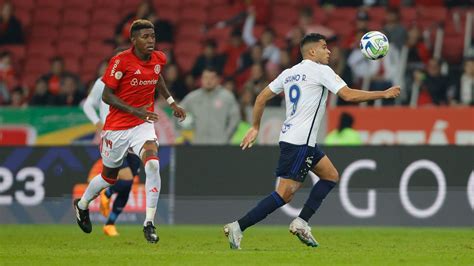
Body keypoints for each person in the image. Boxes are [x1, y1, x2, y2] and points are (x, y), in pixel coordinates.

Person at [223, 33, 400, 249]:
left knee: (331, 176)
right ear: (312, 51)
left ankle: (301, 221)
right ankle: (238, 227)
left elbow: (260, 98)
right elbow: (348, 95)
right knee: (285, 195)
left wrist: (256, 126)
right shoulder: (320, 71)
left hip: (296, 140)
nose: (329, 51)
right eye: (324, 47)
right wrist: (383, 94)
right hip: (300, 143)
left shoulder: (289, 73)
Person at [73, 19, 186, 244]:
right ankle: (82, 204)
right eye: (145, 37)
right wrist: (136, 111)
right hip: (116, 128)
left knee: (153, 164)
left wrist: (172, 102)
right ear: (133, 40)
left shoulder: (159, 58)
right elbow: (106, 96)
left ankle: (149, 223)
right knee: (109, 178)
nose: (151, 41)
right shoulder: (120, 61)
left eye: (153, 36)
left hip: (142, 125)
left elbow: (157, 76)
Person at [81, 55, 141, 237]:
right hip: (113, 137)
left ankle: (110, 224)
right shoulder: (103, 82)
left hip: (133, 136)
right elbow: (88, 105)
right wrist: (97, 123)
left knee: (128, 185)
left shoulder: (135, 82)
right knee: (127, 178)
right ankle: (105, 195)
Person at [180, 66, 240, 144]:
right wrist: (187, 135)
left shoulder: (227, 97)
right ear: (201, 79)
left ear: (218, 79)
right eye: (205, 78)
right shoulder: (192, 98)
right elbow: (178, 114)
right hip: (198, 144)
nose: (208, 81)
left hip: (220, 145)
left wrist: (226, 137)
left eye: (212, 78)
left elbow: (235, 119)